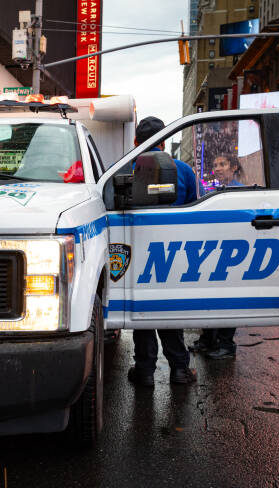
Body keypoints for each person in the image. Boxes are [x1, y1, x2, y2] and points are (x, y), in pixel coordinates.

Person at [128, 117, 198, 387]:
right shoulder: (184, 170)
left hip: (136, 253)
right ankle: (179, 369)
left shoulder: (124, 169)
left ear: (136, 142)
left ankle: (144, 371)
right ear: (164, 142)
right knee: (169, 310)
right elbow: (196, 209)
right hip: (173, 252)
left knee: (143, 311)